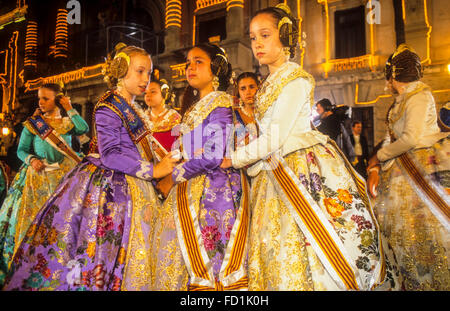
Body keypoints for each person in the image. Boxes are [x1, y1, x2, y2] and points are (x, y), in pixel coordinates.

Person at [221, 3, 399, 291]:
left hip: (298, 166)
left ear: (285, 36)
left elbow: (275, 137)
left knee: (312, 242)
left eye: (265, 35)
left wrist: (233, 159)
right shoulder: (268, 83)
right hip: (272, 168)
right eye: (253, 37)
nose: (257, 44)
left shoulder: (296, 78)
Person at [2, 43, 178, 291]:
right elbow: (110, 155)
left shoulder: (133, 108)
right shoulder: (108, 105)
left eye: (148, 73)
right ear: (121, 69)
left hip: (135, 185)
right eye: (139, 71)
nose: (145, 79)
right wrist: (154, 171)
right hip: (109, 190)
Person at [150, 43, 250, 291]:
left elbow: (214, 153)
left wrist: (174, 175)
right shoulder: (194, 107)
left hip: (214, 192)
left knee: (212, 260)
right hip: (189, 185)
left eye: (198, 62)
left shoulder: (222, 102)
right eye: (187, 63)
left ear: (215, 69)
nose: (190, 68)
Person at [367, 44, 449, 291]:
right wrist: (377, 165)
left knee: (425, 233)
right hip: (401, 174)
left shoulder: (420, 96)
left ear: (392, 75)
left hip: (421, 171)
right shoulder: (399, 101)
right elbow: (393, 139)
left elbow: (411, 138)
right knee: (402, 234)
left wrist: (380, 156)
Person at [0, 83, 89, 287]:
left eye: (46, 98)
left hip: (63, 175)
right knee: (35, 220)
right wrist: (31, 160)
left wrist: (69, 107)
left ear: (57, 99)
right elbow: (21, 150)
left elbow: (83, 128)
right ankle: (30, 263)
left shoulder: (67, 122)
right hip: (38, 177)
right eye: (39, 98)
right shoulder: (34, 124)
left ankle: (59, 263)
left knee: (62, 221)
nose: (40, 102)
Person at [144, 77, 181, 156]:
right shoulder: (141, 118)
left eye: (153, 92)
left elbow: (180, 148)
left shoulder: (174, 119)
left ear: (164, 94)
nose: (148, 95)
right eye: (145, 93)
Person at [233, 72, 259, 148]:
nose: (248, 92)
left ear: (258, 87)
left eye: (251, 87)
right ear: (238, 91)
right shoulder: (233, 115)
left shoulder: (266, 112)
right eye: (243, 89)